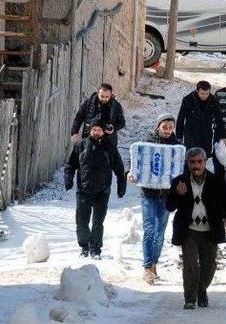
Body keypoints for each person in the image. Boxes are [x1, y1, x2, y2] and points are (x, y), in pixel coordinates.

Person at [166, 148, 226, 310]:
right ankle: (190, 299)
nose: (196, 165)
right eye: (192, 162)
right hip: (189, 230)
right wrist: (177, 194)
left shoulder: (216, 180)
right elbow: (169, 206)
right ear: (187, 163)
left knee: (209, 266)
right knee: (190, 265)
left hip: (210, 230)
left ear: (205, 162)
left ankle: (201, 290)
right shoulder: (179, 181)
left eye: (199, 161)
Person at [128, 113, 180, 284]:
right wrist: (130, 173)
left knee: (160, 234)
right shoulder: (147, 142)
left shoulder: (176, 146)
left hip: (166, 196)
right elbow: (137, 162)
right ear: (158, 126)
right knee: (149, 231)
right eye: (165, 127)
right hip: (148, 195)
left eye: (170, 127)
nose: (167, 130)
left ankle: (154, 264)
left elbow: (179, 169)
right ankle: (147, 266)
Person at [65, 120, 126, 260]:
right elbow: (70, 165)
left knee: (98, 222)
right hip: (83, 190)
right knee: (82, 221)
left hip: (102, 191)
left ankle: (95, 249)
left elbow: (119, 167)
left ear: (104, 131)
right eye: (94, 129)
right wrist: (68, 179)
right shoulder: (81, 145)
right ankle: (84, 247)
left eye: (100, 130)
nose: (97, 132)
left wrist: (121, 185)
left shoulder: (109, 147)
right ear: (90, 130)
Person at [177, 81, 226, 158]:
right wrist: (179, 136)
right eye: (202, 93)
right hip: (191, 134)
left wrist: (222, 135)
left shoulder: (213, 101)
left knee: (204, 158)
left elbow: (219, 119)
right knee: (191, 158)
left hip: (206, 135)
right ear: (197, 91)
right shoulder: (188, 100)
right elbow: (181, 118)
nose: (205, 96)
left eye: (207, 93)